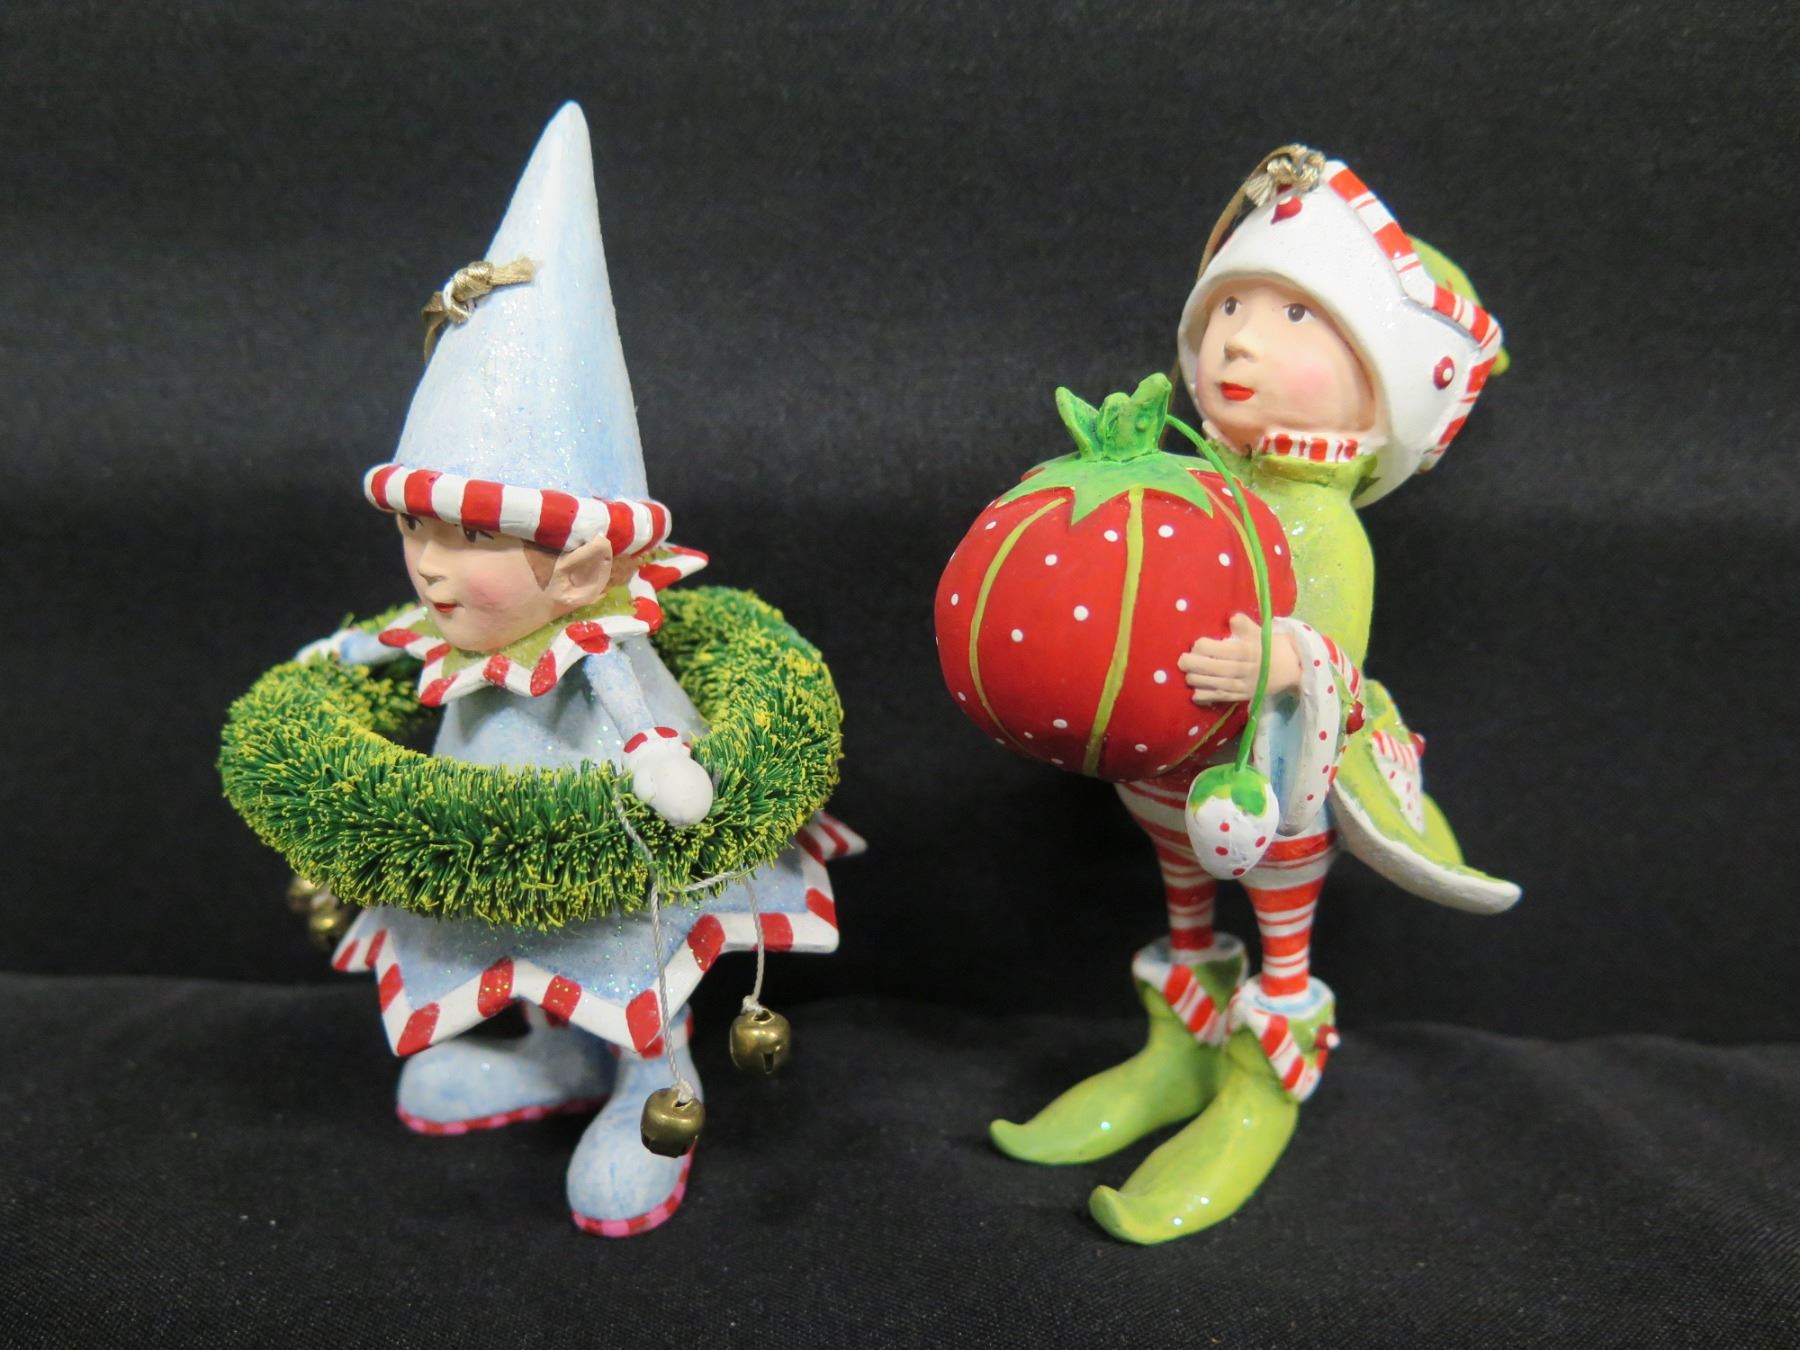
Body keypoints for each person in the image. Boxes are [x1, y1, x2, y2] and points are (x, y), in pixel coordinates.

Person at [297, 104, 861, 1238]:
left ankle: (656, 1081)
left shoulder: (596, 637)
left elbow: (626, 703)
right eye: (415, 528)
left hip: (616, 838)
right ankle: (555, 1054)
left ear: (584, 564)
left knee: (622, 944)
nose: (431, 567)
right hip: (490, 827)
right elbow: (397, 635)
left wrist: (655, 756)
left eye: (470, 537)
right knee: (518, 934)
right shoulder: (451, 631)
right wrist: (346, 653)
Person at [992, 146, 1518, 1242]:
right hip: (1167, 773)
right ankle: (1179, 1049)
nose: (1238, 338)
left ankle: (1261, 1075)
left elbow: (1335, 651)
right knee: (1182, 897)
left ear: (1381, 382)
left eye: (1294, 315)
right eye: (1229, 306)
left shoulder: (1323, 522)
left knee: (1279, 924)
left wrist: (1279, 659)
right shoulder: (1196, 478)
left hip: (1271, 785)